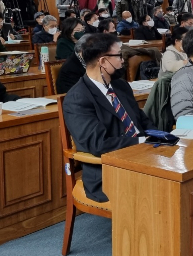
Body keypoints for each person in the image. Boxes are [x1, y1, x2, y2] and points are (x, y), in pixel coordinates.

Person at [62, 33, 155, 202]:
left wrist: (160, 138)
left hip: (144, 156)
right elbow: (98, 144)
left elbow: (142, 121)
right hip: (108, 171)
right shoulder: (77, 98)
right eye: (119, 55)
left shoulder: (120, 85)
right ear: (103, 61)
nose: (123, 60)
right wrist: (143, 141)